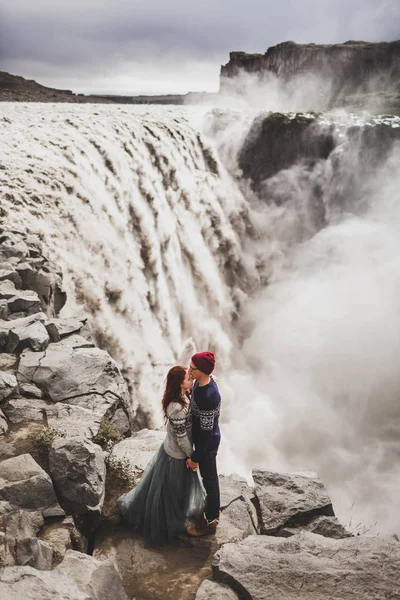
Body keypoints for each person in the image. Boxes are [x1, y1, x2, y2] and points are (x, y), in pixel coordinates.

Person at [118, 366, 205, 547]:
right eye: (189, 378)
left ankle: (173, 515)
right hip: (177, 456)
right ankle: (168, 524)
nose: (192, 379)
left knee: (171, 489)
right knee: (171, 492)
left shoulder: (182, 397)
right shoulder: (177, 408)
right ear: (180, 383)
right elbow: (181, 438)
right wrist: (192, 457)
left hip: (172, 451)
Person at [186, 351, 221, 536]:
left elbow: (206, 435)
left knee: (210, 480)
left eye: (192, 368)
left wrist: (195, 458)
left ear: (202, 371)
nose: (189, 370)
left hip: (206, 445)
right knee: (208, 478)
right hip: (201, 439)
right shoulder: (203, 383)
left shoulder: (208, 396)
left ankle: (211, 520)